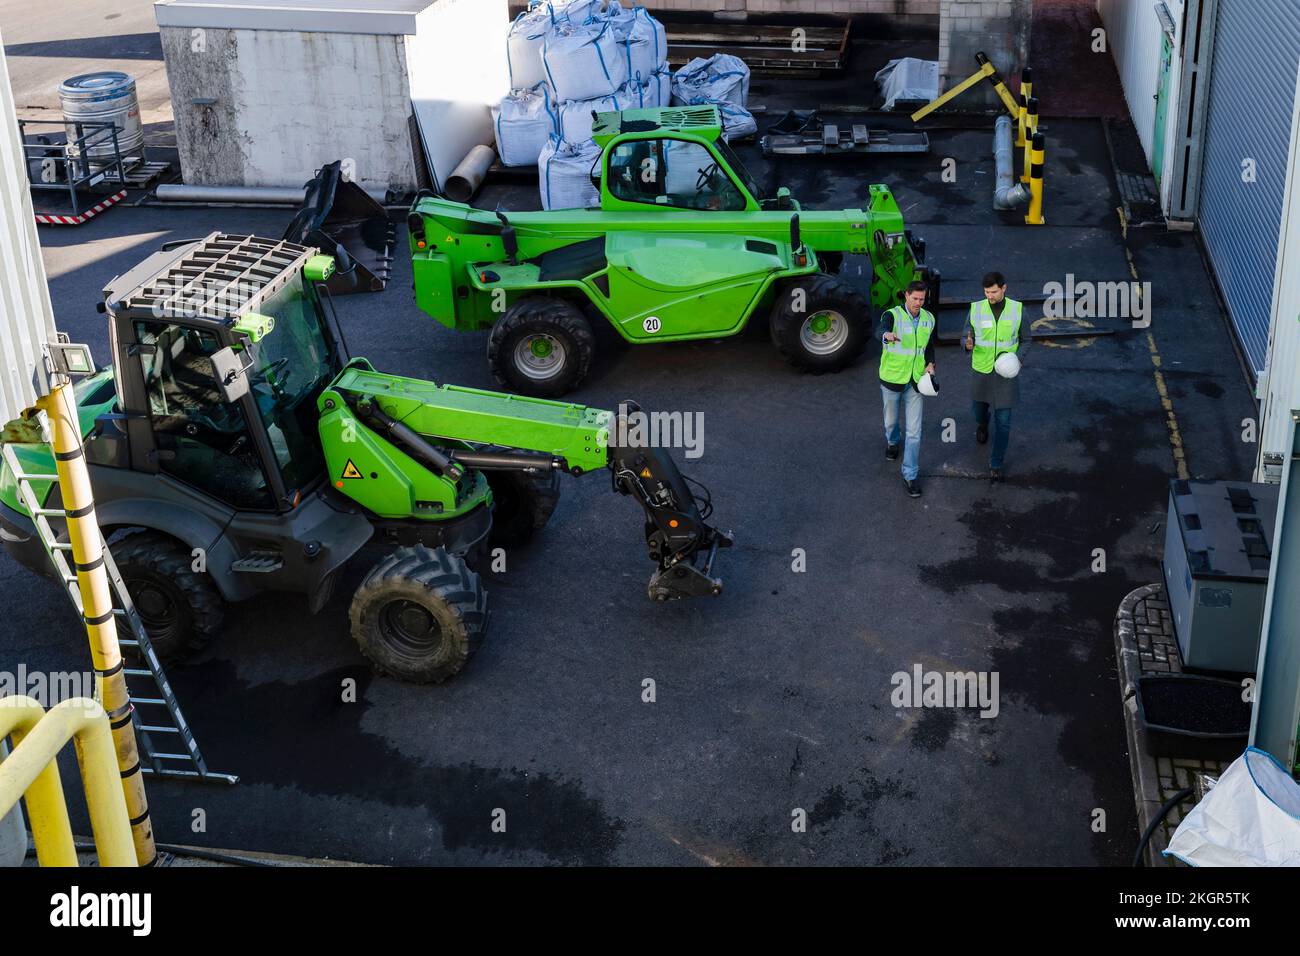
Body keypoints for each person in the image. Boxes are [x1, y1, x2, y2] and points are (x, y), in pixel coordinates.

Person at [963, 272, 1027, 482]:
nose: (989, 296)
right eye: (986, 292)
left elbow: (1028, 339)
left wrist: (1017, 359)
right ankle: (982, 424)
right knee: (977, 411)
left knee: (1004, 422)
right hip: (981, 372)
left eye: (993, 291)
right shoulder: (976, 309)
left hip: (1006, 376)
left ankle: (996, 462)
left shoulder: (1018, 310)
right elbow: (966, 334)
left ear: (1004, 288)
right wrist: (966, 343)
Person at [879, 281, 936, 498]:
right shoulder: (892, 315)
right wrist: (887, 336)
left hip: (915, 382)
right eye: (915, 299)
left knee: (914, 432)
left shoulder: (928, 319)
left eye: (922, 300)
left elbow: (928, 345)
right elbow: (881, 329)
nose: (918, 303)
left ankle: (910, 475)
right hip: (892, 379)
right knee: (891, 422)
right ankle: (893, 441)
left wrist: (930, 363)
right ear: (906, 296)